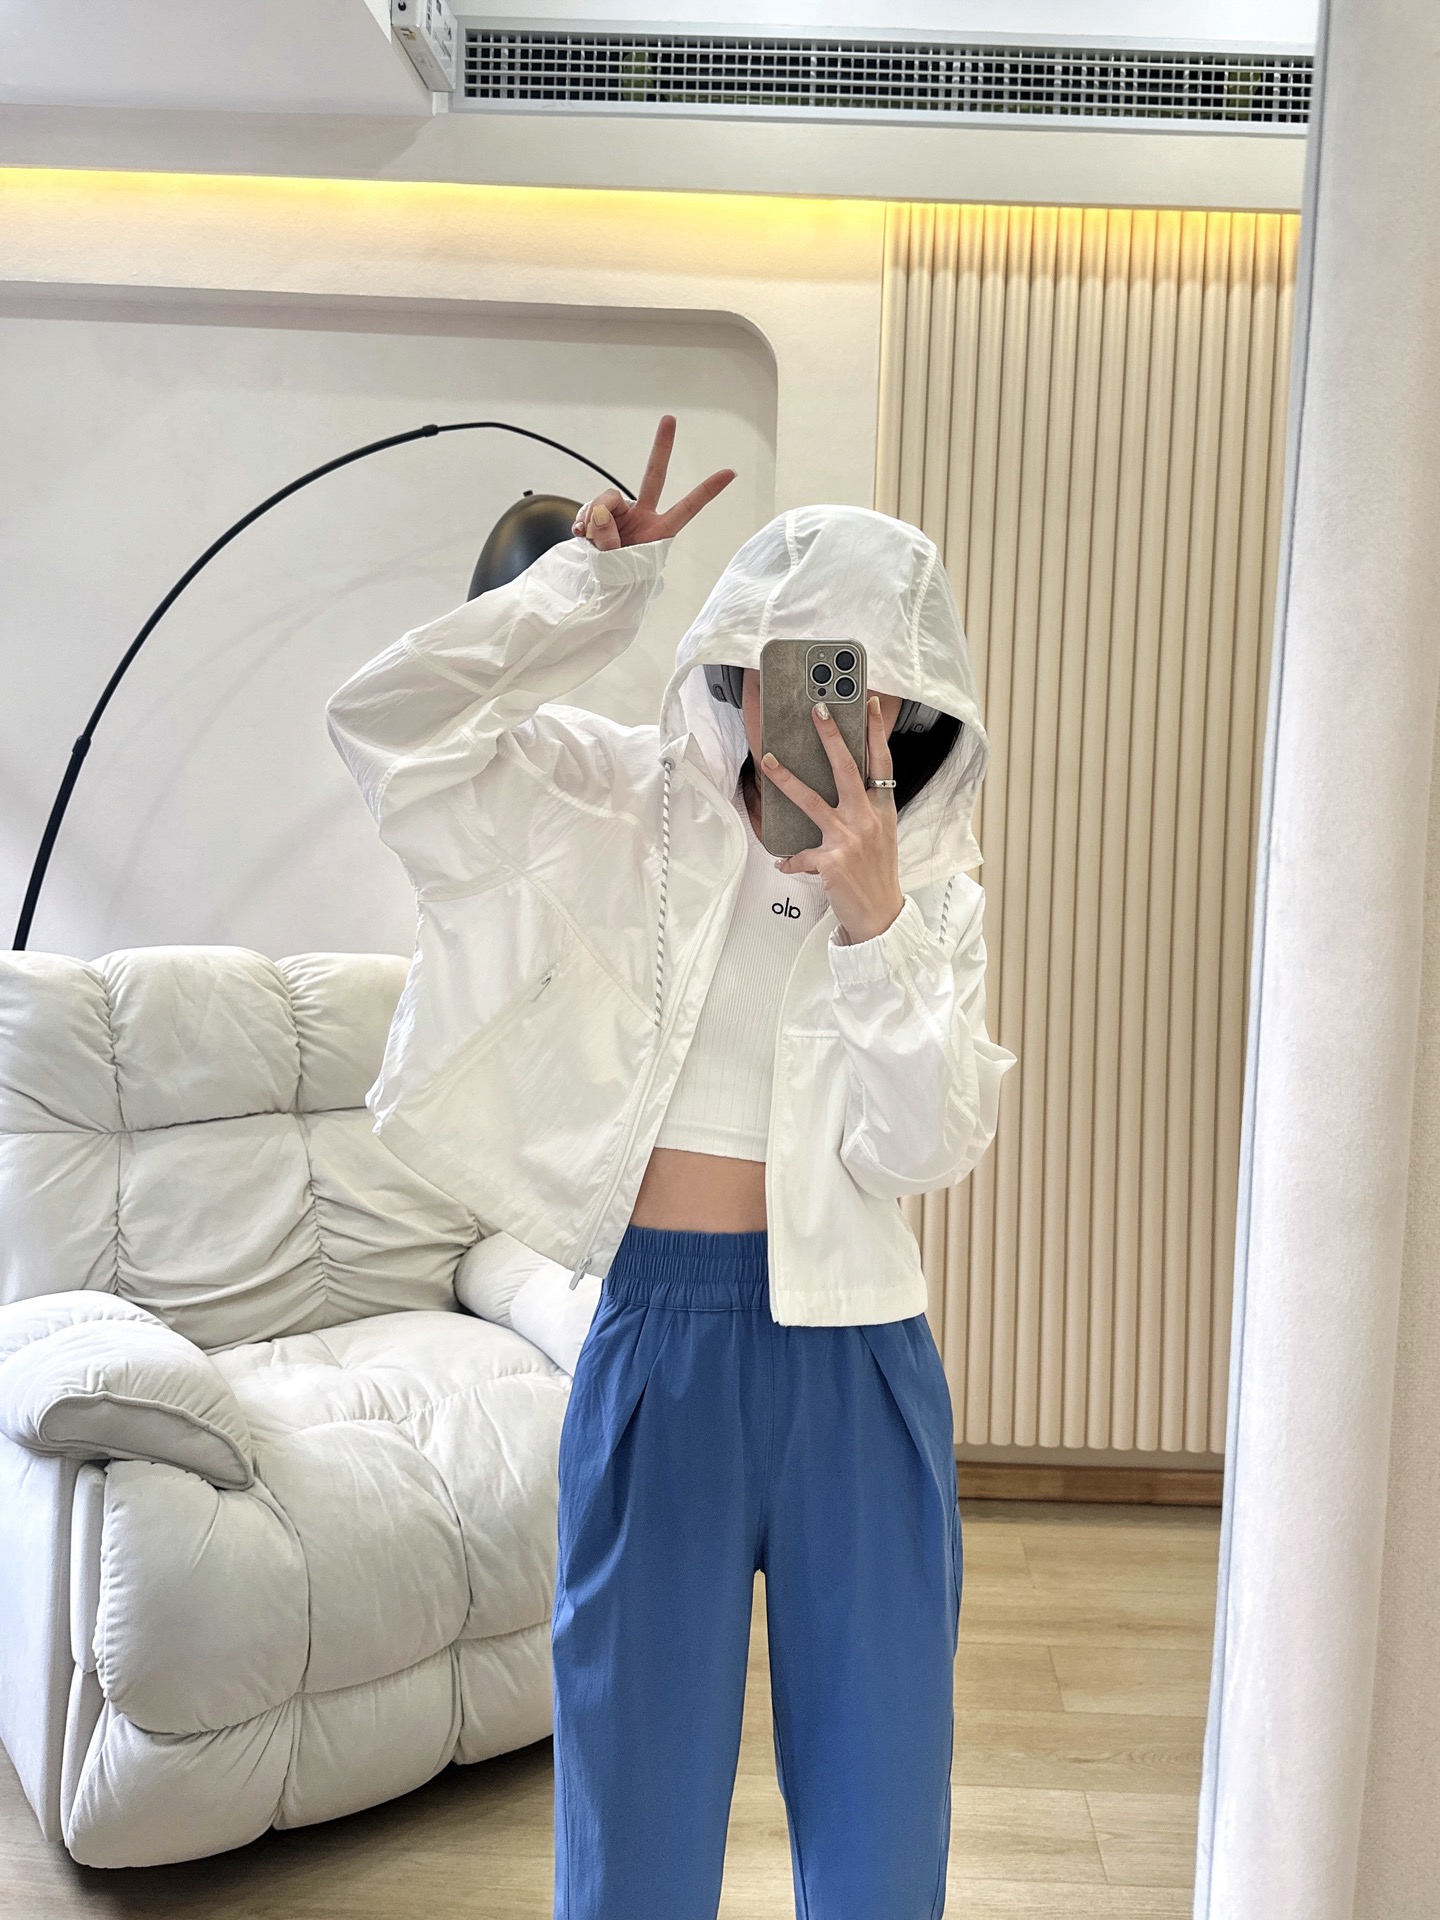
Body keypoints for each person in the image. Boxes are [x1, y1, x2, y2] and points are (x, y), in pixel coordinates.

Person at [325, 415, 1017, 1920]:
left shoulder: (931, 892)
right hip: (660, 1340)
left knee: (883, 1833)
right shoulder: (619, 804)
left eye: (868, 681)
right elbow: (386, 730)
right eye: (803, 668)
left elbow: (927, 1148)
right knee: (630, 1834)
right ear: (741, 658)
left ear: (915, 698)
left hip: (861, 1363)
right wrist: (584, 593)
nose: (835, 711)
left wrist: (878, 925)